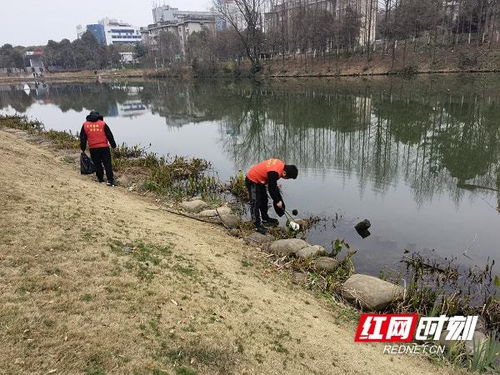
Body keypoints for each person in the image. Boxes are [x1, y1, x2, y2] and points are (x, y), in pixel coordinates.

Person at [245, 159, 298, 234]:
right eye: (288, 178)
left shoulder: (281, 165)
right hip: (252, 180)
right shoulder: (274, 172)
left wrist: (279, 200)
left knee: (264, 200)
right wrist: (277, 201)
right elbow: (271, 189)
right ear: (284, 173)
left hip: (260, 181)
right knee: (255, 202)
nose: (286, 179)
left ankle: (265, 219)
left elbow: (274, 187)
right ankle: (256, 225)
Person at [80, 111, 117, 186]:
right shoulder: (102, 124)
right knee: (107, 164)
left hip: (93, 148)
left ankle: (100, 179)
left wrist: (83, 148)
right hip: (104, 147)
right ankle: (110, 180)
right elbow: (109, 135)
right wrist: (113, 145)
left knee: (97, 164)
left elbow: (83, 138)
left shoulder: (85, 125)